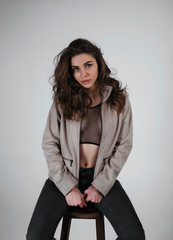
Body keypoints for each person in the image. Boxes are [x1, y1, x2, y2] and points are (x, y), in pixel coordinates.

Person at [26, 38, 145, 240]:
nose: (83, 74)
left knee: (135, 236)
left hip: (102, 176)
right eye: (76, 69)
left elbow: (124, 144)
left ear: (99, 63)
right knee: (35, 237)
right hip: (63, 177)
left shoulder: (119, 99)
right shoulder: (62, 100)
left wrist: (100, 186)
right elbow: (49, 143)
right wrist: (67, 187)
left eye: (88, 65)